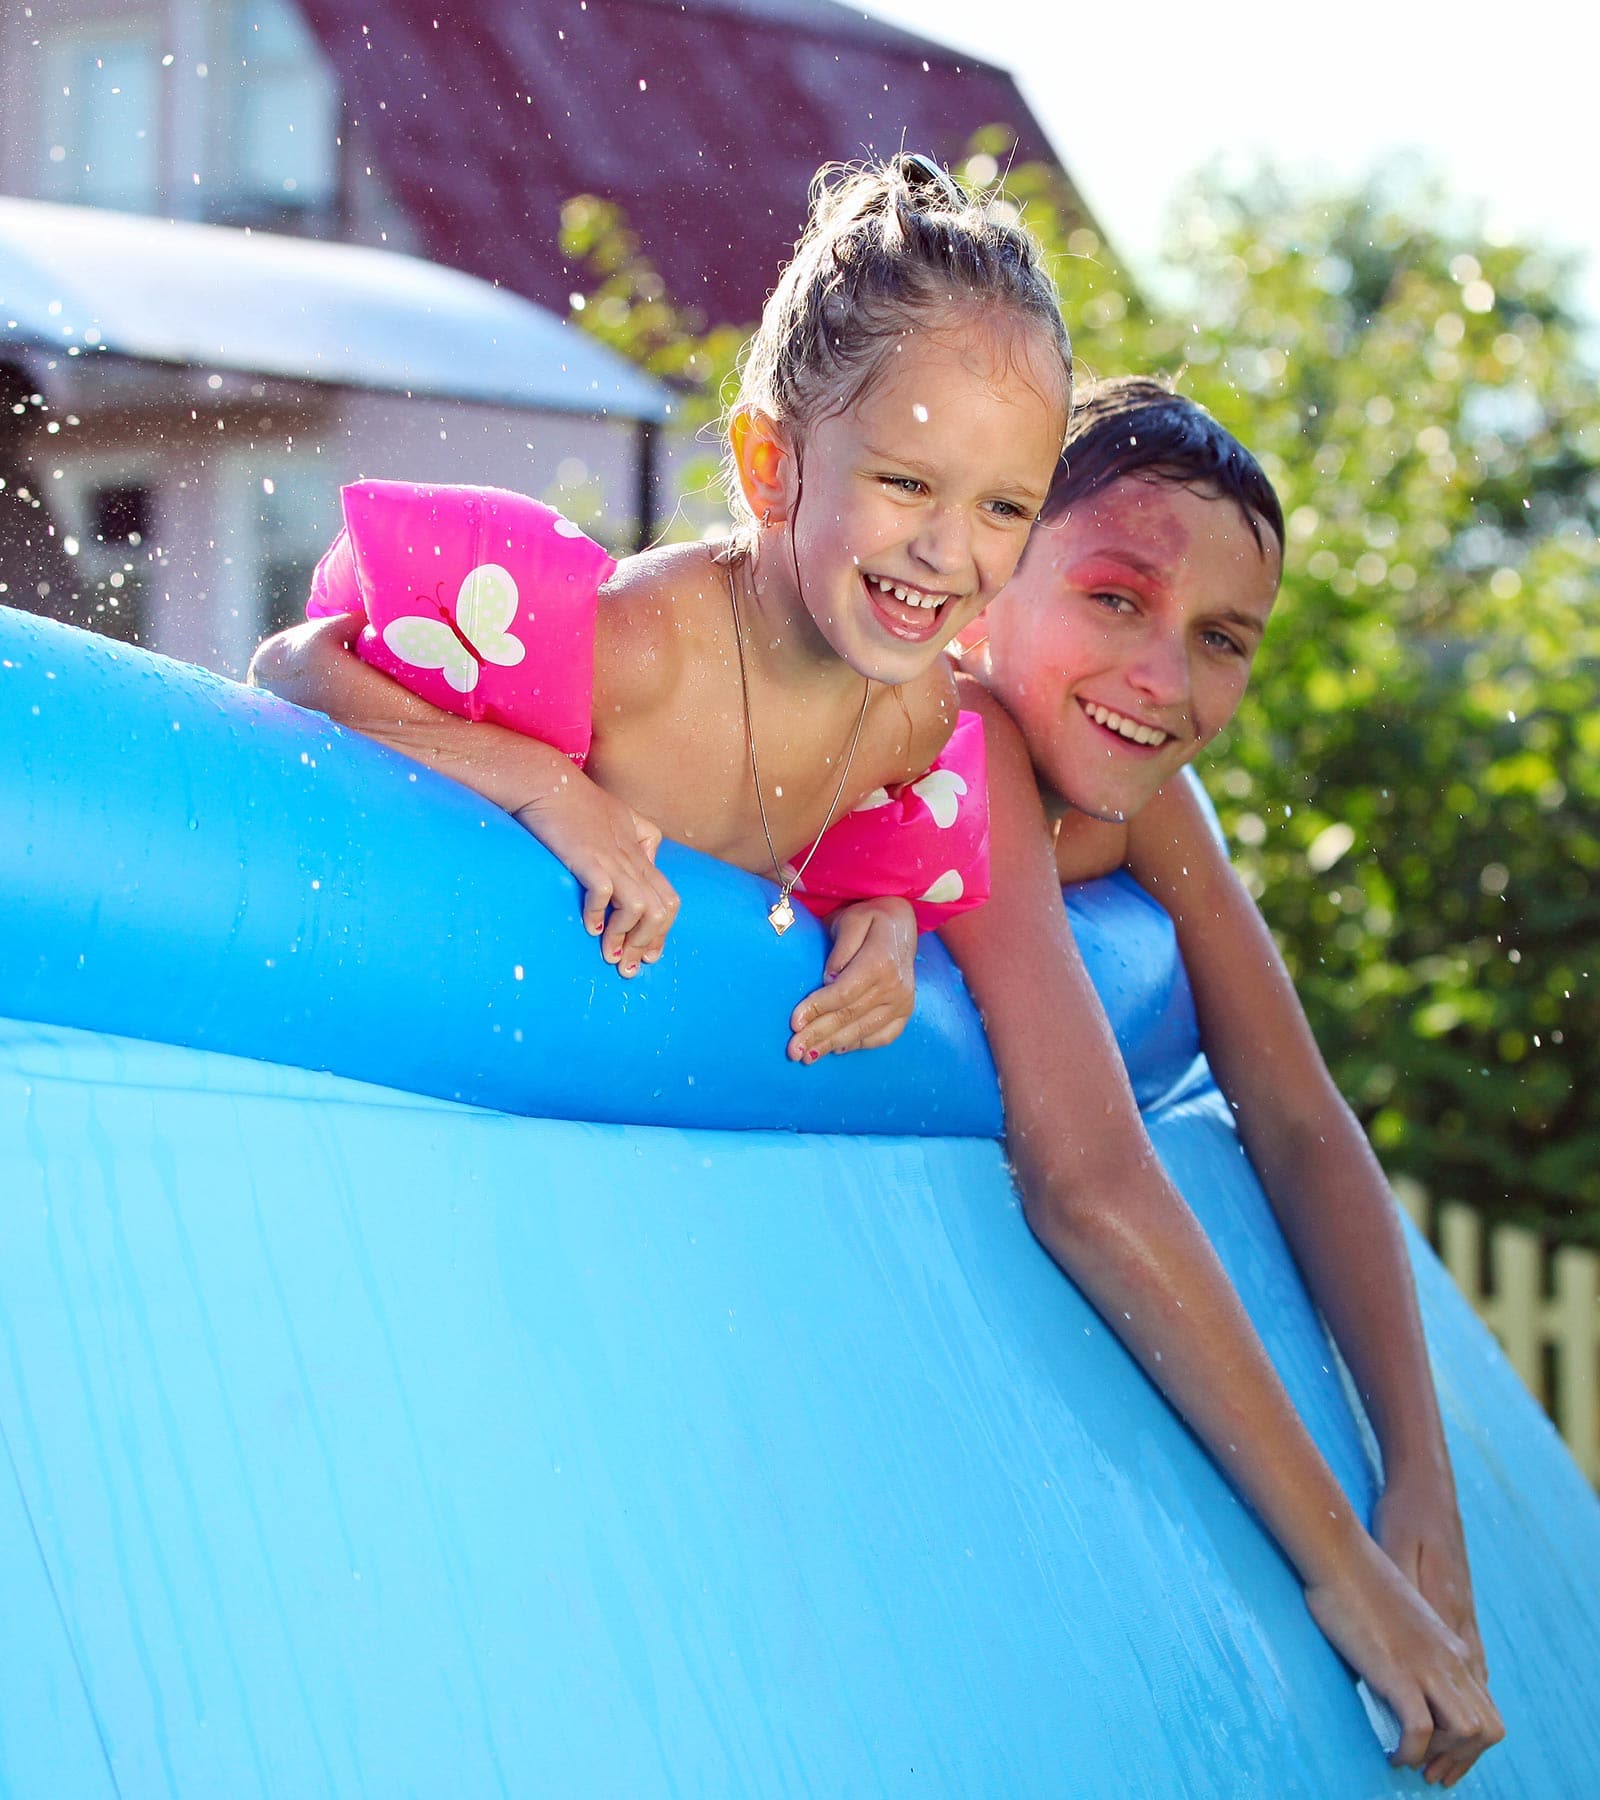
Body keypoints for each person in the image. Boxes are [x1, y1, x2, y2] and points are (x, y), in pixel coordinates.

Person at [944, 378, 1502, 1785]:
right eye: (1117, 599)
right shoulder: (962, 738)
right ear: (993, 568)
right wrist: (1348, 1574)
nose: (1166, 683)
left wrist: (1418, 1470)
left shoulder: (1138, 787)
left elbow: (1302, 1120)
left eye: (1220, 641)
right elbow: (1084, 1179)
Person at [250, 154, 1070, 1064]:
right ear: (772, 468)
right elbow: (287, 672)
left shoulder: (914, 721)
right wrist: (542, 782)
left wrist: (884, 917)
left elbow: (813, 864)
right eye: (907, 482)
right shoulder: (638, 651)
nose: (950, 552)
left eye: (1004, 508)